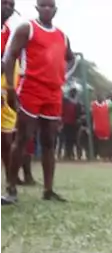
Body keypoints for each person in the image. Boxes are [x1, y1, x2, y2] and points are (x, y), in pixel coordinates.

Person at [0, 0, 73, 204]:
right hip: (31, 88)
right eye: (43, 5)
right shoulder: (27, 28)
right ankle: (11, 189)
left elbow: (71, 58)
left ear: (56, 10)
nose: (47, 9)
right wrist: (10, 88)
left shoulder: (62, 36)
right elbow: (10, 56)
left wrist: (62, 75)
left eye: (50, 6)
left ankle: (48, 190)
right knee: (22, 138)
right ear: (37, 8)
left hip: (53, 93)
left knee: (50, 141)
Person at [0, 0, 16, 178]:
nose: (8, 7)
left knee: (6, 140)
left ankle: (11, 183)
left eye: (12, 4)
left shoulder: (8, 32)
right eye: (4, 3)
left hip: (4, 93)